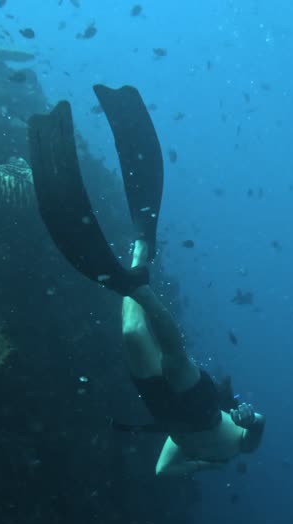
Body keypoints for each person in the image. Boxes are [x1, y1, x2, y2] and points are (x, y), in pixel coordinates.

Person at [27, 84, 266, 477]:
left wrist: (197, 466)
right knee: (175, 361)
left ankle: (136, 262)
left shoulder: (187, 450)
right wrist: (251, 418)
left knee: (132, 337)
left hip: (166, 414)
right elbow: (256, 433)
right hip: (201, 409)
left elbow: (161, 473)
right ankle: (142, 284)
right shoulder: (235, 444)